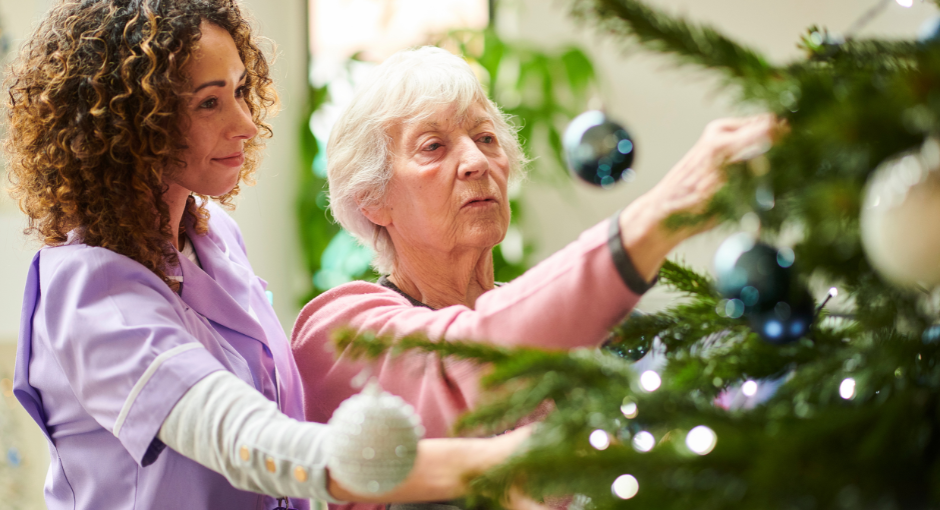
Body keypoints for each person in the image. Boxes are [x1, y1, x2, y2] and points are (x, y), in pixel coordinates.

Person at [4, 2, 534, 509]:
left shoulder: (216, 241)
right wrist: (493, 461)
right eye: (209, 102)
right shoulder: (90, 290)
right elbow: (249, 442)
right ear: (133, 122)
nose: (246, 124)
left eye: (240, 91)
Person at [290, 46, 780, 510]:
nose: (478, 162)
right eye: (434, 146)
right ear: (371, 199)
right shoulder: (340, 331)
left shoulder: (565, 331)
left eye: (486, 139)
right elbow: (473, 356)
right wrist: (657, 216)